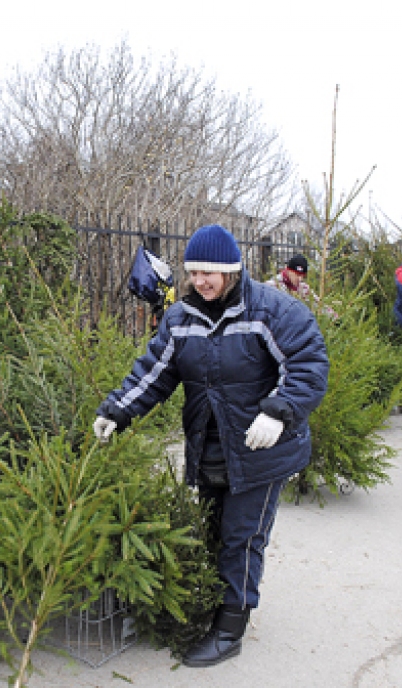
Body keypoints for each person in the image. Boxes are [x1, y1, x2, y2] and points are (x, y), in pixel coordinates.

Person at [92, 224, 329, 668]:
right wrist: (116, 410)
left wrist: (279, 411)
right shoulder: (181, 319)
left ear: (231, 272)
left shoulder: (272, 311)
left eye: (210, 273)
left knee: (243, 536)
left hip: (262, 448)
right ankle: (215, 606)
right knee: (215, 530)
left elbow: (308, 365)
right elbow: (154, 372)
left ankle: (230, 629)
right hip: (210, 445)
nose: (201, 281)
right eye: (195, 272)